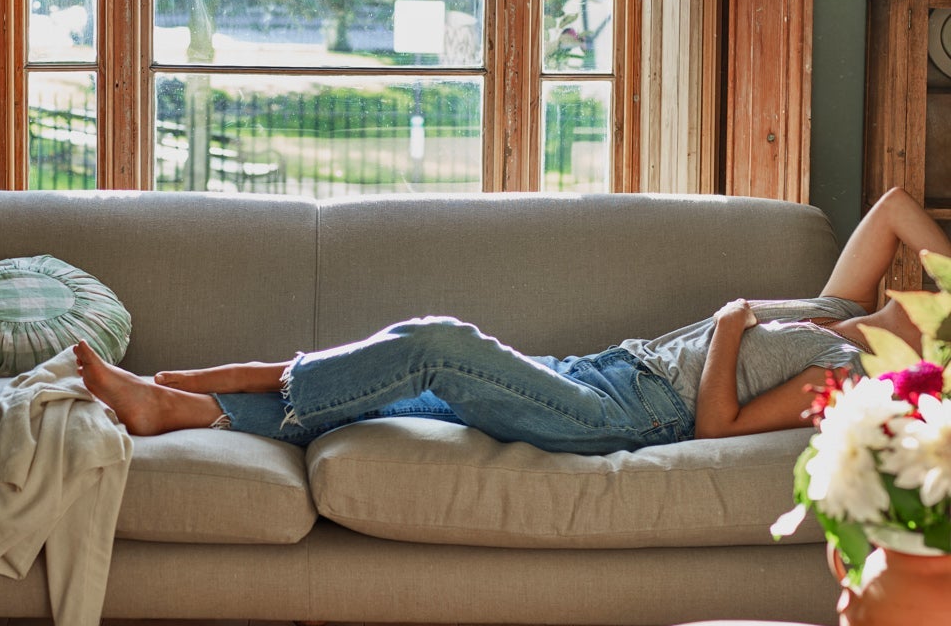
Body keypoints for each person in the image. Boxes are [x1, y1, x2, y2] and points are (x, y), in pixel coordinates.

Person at [72, 188, 951, 455]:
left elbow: (720, 422)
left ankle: (248, 376)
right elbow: (896, 208)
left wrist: (728, 329)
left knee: (433, 344)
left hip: (622, 417)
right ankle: (181, 410)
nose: (925, 292)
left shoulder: (863, 379)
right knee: (401, 398)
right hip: (600, 370)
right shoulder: (844, 310)